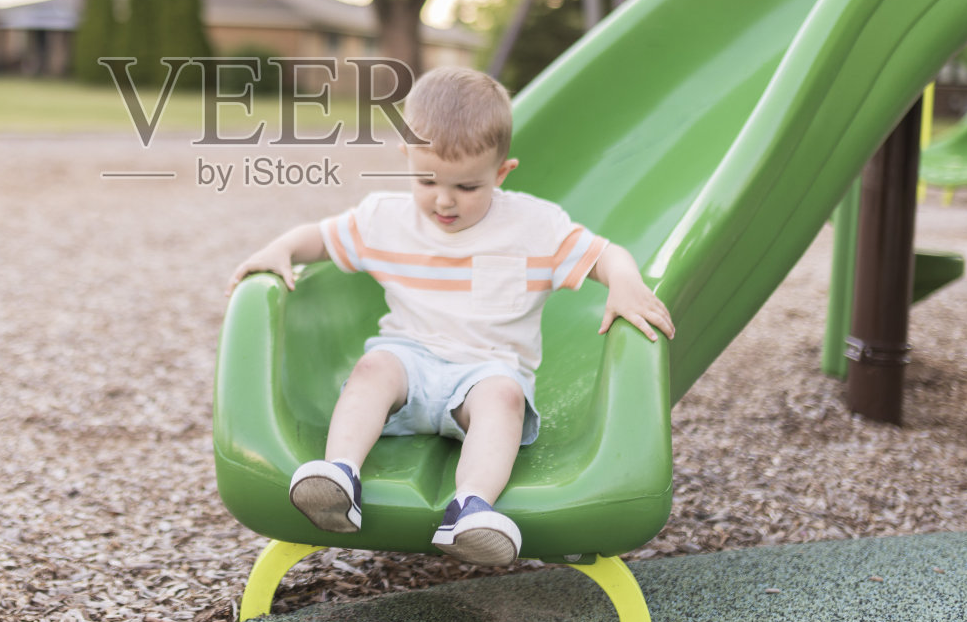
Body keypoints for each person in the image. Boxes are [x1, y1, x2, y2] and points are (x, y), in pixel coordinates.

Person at [227, 66, 675, 566]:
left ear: (501, 173)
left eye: (466, 186)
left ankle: (470, 508)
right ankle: (340, 476)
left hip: (486, 370)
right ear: (408, 159)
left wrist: (626, 283)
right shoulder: (384, 219)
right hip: (410, 360)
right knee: (373, 368)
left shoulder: (534, 226)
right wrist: (280, 249)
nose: (443, 200)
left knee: (503, 398)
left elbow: (605, 254)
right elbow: (321, 237)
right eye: (427, 180)